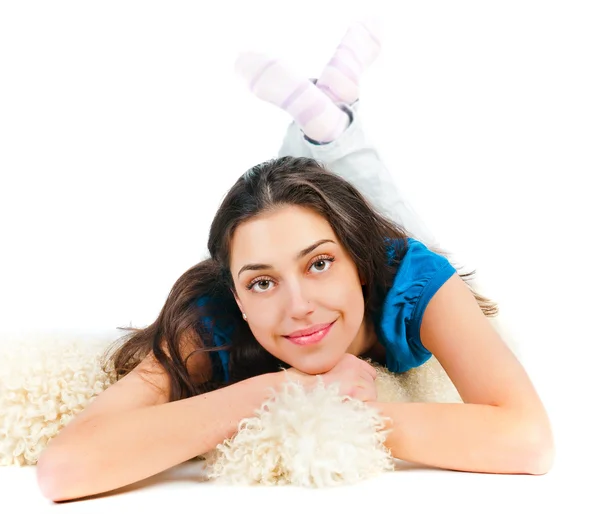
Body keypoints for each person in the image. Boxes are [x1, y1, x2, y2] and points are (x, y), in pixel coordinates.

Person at [36, 21, 554, 502]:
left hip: (383, 248)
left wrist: (360, 415)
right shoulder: (209, 317)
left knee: (373, 198)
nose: (299, 306)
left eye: (320, 265)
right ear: (236, 298)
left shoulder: (416, 282)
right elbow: (63, 470)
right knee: (285, 211)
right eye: (262, 284)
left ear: (361, 264)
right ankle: (325, 119)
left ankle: (331, 123)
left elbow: (528, 440)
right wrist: (287, 390)